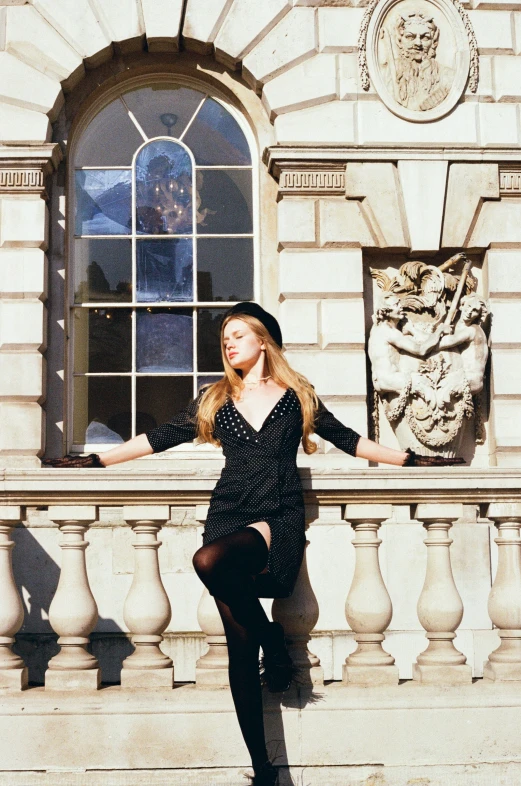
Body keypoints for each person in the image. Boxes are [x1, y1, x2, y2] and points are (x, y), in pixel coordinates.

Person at [43, 302, 463, 786]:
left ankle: (271, 643)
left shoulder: (296, 395)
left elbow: (347, 439)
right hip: (228, 512)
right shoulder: (215, 398)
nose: (229, 342)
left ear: (263, 340)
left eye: (239, 334)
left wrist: (408, 460)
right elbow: (159, 438)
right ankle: (264, 769)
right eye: (225, 337)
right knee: (240, 651)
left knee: (208, 561)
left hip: (276, 517)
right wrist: (97, 462)